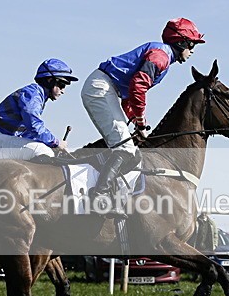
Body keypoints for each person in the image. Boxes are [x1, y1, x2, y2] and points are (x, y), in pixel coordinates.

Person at [81, 18, 205, 214]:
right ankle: (99, 196)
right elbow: (138, 87)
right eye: (191, 45)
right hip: (102, 88)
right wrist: (141, 121)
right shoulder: (161, 57)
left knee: (126, 147)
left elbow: (130, 96)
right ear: (180, 42)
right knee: (125, 150)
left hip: (105, 88)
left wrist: (137, 123)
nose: (192, 51)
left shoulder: (163, 56)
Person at [0, 59, 77, 161]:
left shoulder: (37, 96)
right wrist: (56, 142)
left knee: (46, 148)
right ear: (49, 81)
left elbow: (28, 133)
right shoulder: (33, 93)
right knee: (43, 151)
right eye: (62, 85)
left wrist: (52, 145)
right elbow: (34, 125)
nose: (63, 91)